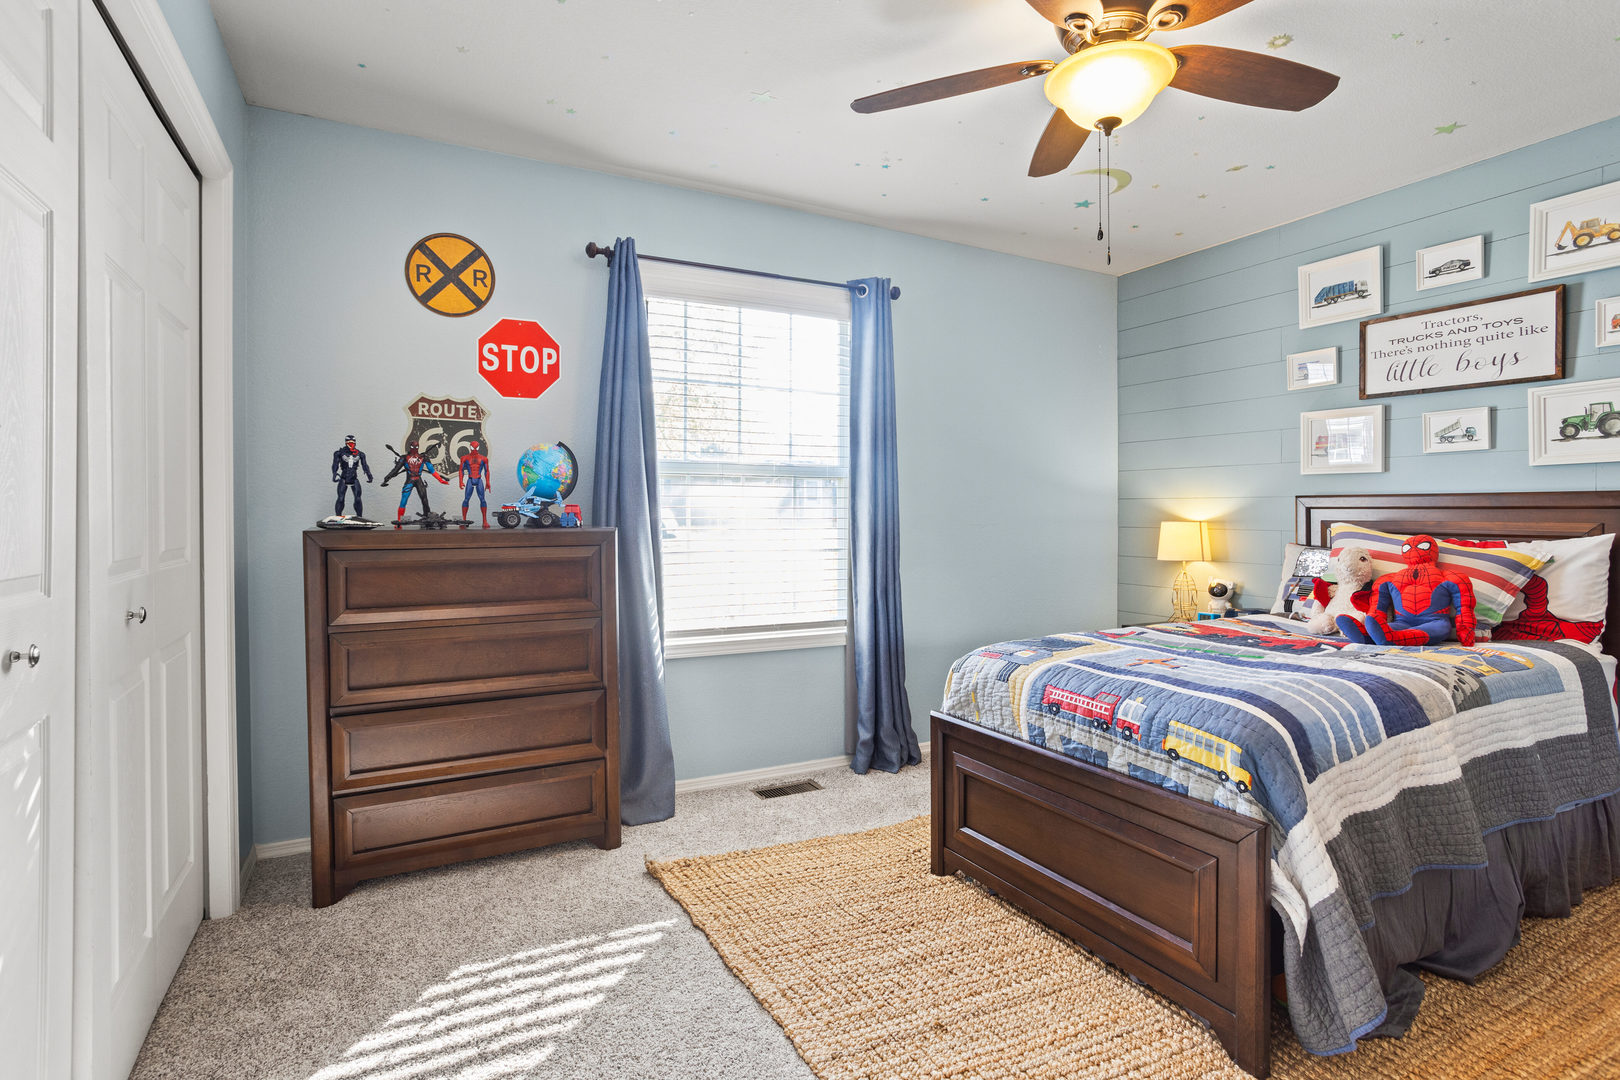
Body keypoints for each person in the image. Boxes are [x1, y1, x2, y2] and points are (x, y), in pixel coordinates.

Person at [380, 439, 449, 525]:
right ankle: (399, 521)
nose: (415, 448)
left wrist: (440, 480)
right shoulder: (404, 458)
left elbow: (432, 470)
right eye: (413, 446)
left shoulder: (423, 457)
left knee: (424, 499)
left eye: (416, 447)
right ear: (410, 447)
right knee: (404, 500)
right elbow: (395, 470)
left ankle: (427, 517)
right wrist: (387, 478)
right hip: (410, 480)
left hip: (418, 480)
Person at [330, 435, 372, 517]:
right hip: (343, 478)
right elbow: (335, 464)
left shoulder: (360, 454)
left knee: (358, 499)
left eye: (352, 442)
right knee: (341, 498)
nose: (351, 444)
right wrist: (334, 473)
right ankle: (338, 516)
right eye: (349, 442)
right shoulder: (339, 453)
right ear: (346, 442)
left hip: (354, 478)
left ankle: (359, 517)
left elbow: (365, 465)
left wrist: (369, 474)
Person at [459, 439, 493, 528]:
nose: (474, 449)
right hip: (470, 480)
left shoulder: (484, 459)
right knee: (466, 499)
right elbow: (461, 470)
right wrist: (460, 481)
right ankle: (463, 520)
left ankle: (485, 521)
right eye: (472, 447)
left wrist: (488, 482)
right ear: (470, 447)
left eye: (476, 447)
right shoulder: (464, 458)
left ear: (478, 448)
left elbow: (487, 471)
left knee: (483, 500)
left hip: (479, 480)